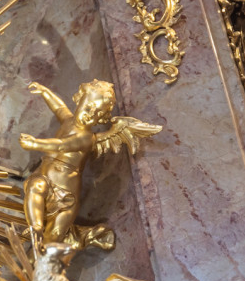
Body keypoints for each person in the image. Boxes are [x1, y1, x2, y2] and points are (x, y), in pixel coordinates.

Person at [20, 80, 161, 257]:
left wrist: (35, 144)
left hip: (66, 198)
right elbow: (59, 107)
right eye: (87, 107)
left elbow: (63, 145)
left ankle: (36, 263)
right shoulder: (68, 121)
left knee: (53, 237)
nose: (90, 115)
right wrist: (44, 92)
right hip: (44, 179)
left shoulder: (87, 138)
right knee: (36, 186)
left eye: (97, 114)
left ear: (101, 119)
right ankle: (36, 227)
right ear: (78, 100)